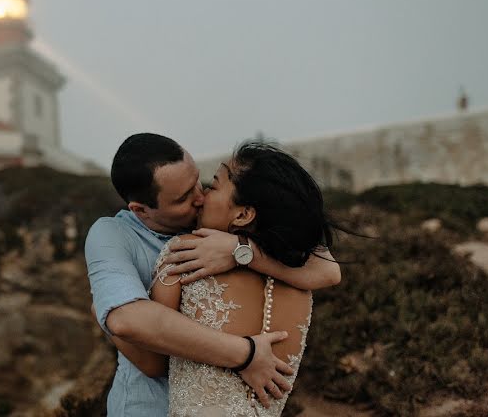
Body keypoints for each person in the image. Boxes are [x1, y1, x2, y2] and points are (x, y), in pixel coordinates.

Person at [85, 133, 340, 416]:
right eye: (183, 198)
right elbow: (128, 321)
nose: (200, 197)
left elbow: (328, 270)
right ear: (141, 210)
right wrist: (246, 355)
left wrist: (241, 250)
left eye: (200, 181)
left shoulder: (225, 228)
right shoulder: (112, 234)